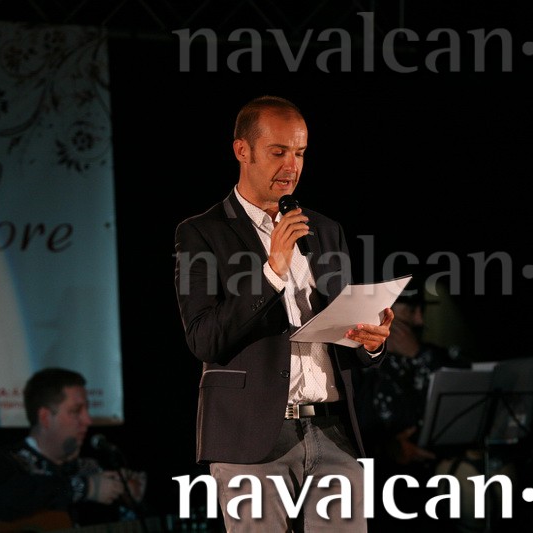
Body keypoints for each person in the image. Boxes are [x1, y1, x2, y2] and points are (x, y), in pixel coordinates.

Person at [173, 95, 394, 532]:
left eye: (300, 153)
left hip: (333, 433)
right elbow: (204, 339)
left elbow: (342, 330)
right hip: (250, 435)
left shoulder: (325, 230)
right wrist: (272, 271)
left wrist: (370, 343)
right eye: (278, 152)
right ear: (242, 150)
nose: (291, 166)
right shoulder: (201, 233)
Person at [354, 281, 474, 530]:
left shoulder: (435, 356)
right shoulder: (359, 366)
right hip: (380, 481)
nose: (419, 320)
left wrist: (418, 356)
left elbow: (465, 395)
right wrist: (388, 448)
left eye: (422, 310)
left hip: (434, 476)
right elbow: (357, 427)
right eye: (410, 310)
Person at [0, 367, 147, 528]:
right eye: (76, 411)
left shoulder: (91, 467)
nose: (88, 420)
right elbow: (10, 498)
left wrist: (129, 500)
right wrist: (85, 488)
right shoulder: (4, 461)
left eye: (87, 410)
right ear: (45, 417)